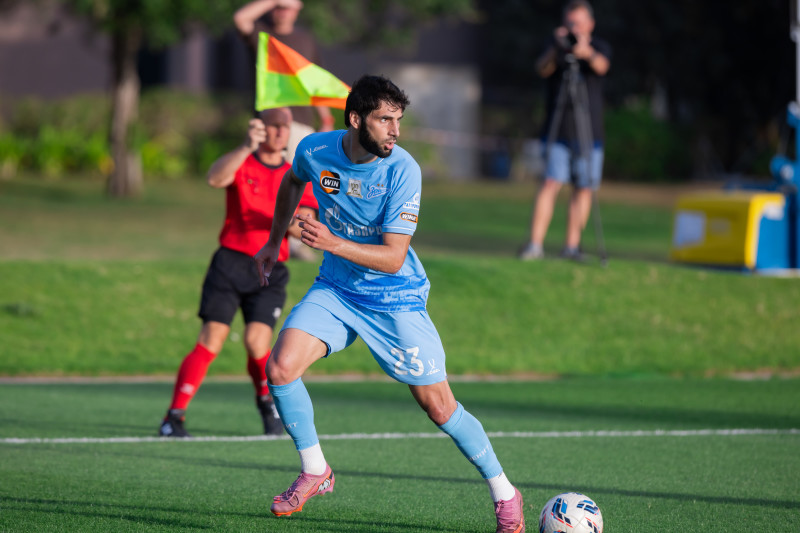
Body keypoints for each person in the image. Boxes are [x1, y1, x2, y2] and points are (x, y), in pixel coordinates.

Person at [253, 75, 525, 533]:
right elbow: (291, 184)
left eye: (399, 120)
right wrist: (274, 240)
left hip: (394, 297)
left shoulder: (403, 170)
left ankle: (505, 494)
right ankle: (316, 470)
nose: (395, 131)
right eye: (385, 120)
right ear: (356, 119)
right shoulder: (315, 150)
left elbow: (394, 257)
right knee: (280, 368)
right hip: (337, 290)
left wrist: (333, 243)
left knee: (439, 406)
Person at [158, 107, 319, 438]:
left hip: (271, 270)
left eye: (284, 128)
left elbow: (304, 224)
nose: (279, 133)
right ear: (260, 128)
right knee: (212, 339)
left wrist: (283, 222)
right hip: (231, 262)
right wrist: (246, 146)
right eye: (273, 126)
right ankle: (174, 417)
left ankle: (266, 409)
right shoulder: (243, 160)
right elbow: (215, 178)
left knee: (257, 341)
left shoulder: (296, 174)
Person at [520, 0, 611, 261]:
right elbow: (542, 69)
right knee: (550, 182)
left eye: (580, 23)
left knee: (584, 187)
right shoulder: (555, 46)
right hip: (557, 130)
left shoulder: (599, 47)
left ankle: (572, 247)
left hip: (589, 133)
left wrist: (586, 52)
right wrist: (558, 49)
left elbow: (602, 66)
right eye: (571, 23)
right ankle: (535, 245)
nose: (575, 28)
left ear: (590, 24)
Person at [233, 0, 335, 162]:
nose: (282, 12)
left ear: (297, 8)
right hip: (268, 121)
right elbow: (240, 18)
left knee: (298, 177)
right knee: (269, 175)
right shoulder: (262, 34)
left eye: (286, 7)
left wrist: (326, 120)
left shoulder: (306, 40)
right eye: (278, 8)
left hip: (300, 122)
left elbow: (315, 83)